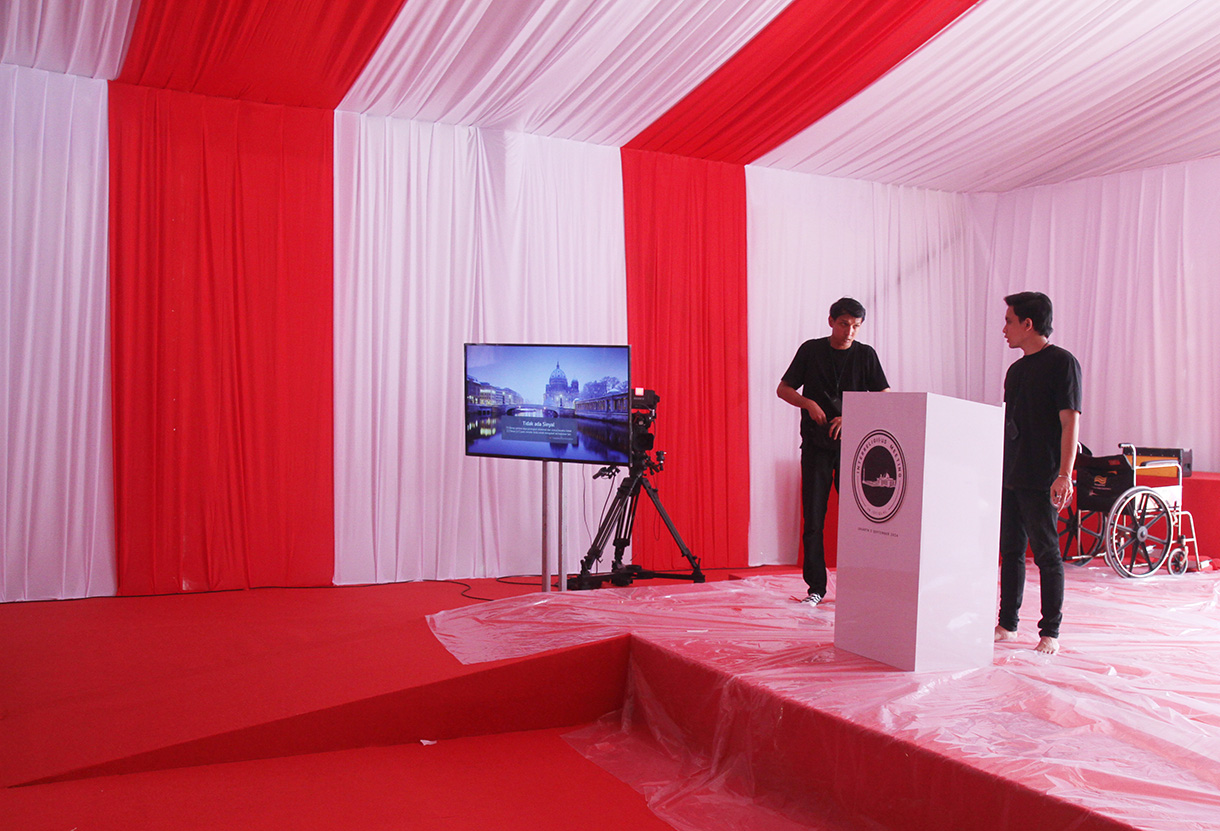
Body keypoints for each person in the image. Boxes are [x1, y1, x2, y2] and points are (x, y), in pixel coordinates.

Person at [777, 297, 890, 605]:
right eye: (844, 325)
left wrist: (852, 415)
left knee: (861, 520)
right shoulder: (811, 350)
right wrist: (808, 403)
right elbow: (783, 388)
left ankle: (861, 586)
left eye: (856, 327)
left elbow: (886, 397)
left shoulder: (866, 355)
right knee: (813, 518)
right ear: (830, 321)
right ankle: (816, 588)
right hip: (816, 445)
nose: (849, 332)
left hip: (856, 450)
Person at [994, 291, 1082, 655]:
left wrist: (1064, 474)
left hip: (1042, 473)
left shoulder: (1062, 363)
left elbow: (1070, 421)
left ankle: (1051, 631)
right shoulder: (1015, 371)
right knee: (1010, 550)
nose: (1004, 329)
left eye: (1009, 321)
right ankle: (1007, 623)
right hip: (1011, 472)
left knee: (1046, 553)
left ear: (1028, 324)